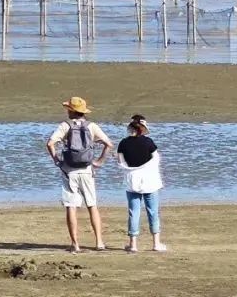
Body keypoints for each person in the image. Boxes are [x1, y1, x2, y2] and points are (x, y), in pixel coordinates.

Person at [45, 96, 114, 253]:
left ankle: (75, 244)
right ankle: (99, 242)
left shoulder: (65, 126)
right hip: (87, 170)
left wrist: (57, 160)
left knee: (71, 207)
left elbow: (50, 143)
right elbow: (109, 144)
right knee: (92, 205)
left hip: (69, 171)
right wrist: (99, 161)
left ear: (71, 111)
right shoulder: (92, 126)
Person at [116, 114, 166, 253]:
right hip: (150, 181)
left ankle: (133, 245)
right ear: (143, 129)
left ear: (130, 128)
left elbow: (120, 162)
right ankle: (156, 243)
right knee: (153, 211)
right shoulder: (149, 142)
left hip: (132, 182)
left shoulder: (123, 143)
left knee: (134, 212)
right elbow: (156, 159)